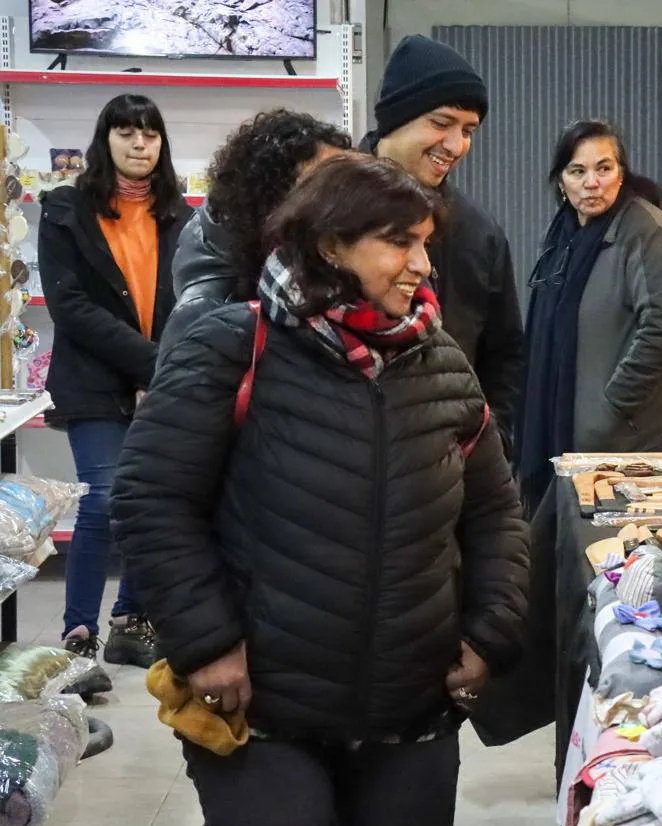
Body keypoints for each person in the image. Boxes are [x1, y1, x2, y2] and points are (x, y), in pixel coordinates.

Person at [110, 155, 529, 826]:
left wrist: (490, 632)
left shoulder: (443, 365)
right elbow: (152, 498)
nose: (422, 265)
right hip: (263, 708)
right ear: (331, 244)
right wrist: (207, 643)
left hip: (410, 710)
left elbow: (495, 513)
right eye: (399, 242)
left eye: (425, 243)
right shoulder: (233, 346)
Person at [38, 93, 192, 683]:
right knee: (103, 501)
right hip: (96, 380)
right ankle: (78, 637)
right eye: (126, 132)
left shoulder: (179, 214)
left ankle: (131, 622)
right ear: (105, 140)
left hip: (165, 380)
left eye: (150, 134)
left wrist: (169, 368)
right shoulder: (66, 209)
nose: (139, 144)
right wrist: (152, 364)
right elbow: (70, 306)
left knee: (149, 503)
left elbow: (193, 299)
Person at [517, 120, 662, 511]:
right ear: (561, 181)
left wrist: (613, 406)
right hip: (581, 434)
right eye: (577, 171)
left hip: (630, 438)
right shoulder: (563, 235)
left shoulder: (648, 231)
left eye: (604, 168)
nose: (592, 183)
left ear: (621, 173)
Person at [360, 35, 523, 452]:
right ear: (396, 118)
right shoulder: (324, 209)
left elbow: (504, 357)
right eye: (441, 122)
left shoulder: (479, 234)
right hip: (333, 464)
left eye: (468, 130)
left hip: (444, 469)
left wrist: (491, 446)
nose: (456, 145)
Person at [162, 109, 349, 359]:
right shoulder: (204, 314)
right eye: (326, 188)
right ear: (272, 200)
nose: (347, 202)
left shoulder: (318, 275)